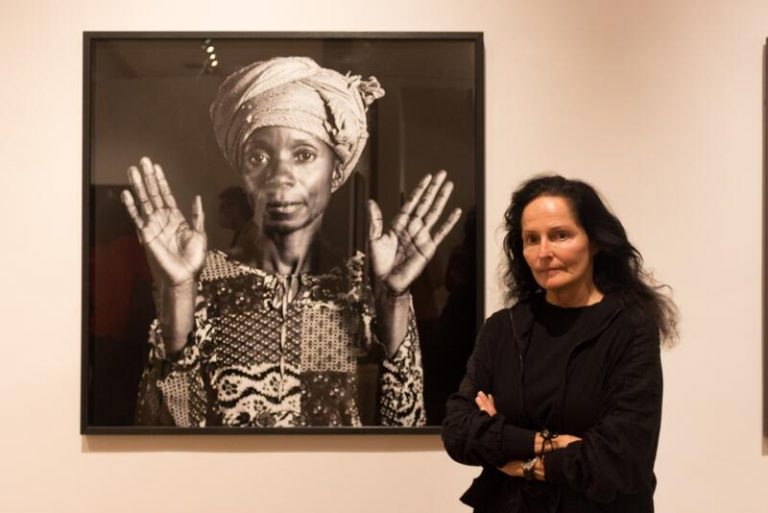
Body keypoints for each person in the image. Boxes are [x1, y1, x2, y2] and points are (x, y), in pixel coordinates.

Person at [121, 56, 461, 427]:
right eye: (258, 156)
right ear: (243, 173)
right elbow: (164, 431)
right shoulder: (205, 281)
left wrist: (394, 301)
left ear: (335, 171)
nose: (280, 176)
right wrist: (180, 291)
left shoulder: (365, 287)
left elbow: (403, 427)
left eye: (303, 155)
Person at [442, 175, 678, 512]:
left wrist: (515, 458)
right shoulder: (502, 329)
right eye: (531, 239)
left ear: (594, 240)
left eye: (560, 235)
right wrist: (544, 443)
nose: (544, 252)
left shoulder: (630, 328)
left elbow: (621, 458)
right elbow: (458, 430)